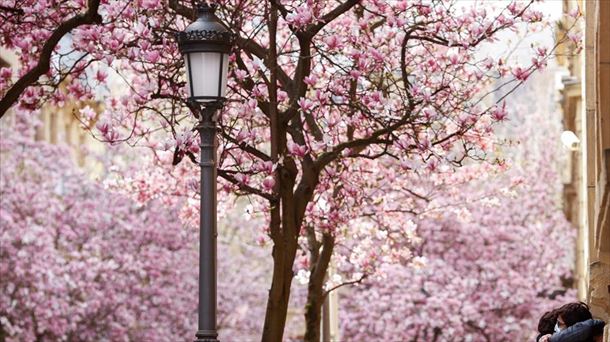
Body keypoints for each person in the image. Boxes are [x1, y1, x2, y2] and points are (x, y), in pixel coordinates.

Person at [538, 302, 606, 342]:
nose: (557, 327)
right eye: (557, 322)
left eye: (561, 324)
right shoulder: (548, 331)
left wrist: (552, 339)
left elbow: (592, 325)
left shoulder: (581, 332)